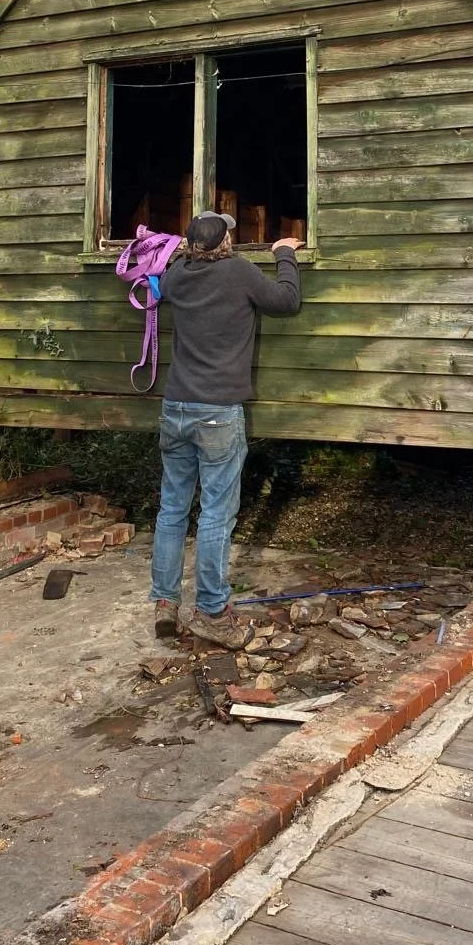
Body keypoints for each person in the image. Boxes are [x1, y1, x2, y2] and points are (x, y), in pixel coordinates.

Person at [149, 210, 302, 646]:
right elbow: (286, 301)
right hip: (217, 412)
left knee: (172, 509)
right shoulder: (239, 272)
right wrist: (285, 255)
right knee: (216, 513)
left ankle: (165, 602)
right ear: (227, 242)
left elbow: (164, 281)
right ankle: (213, 611)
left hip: (175, 407)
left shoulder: (178, 275)